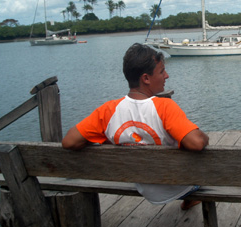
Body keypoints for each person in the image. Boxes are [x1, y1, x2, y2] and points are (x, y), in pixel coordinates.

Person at [62, 43, 209, 210]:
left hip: (145, 188)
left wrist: (109, 142)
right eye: (161, 71)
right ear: (146, 78)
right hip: (179, 185)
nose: (166, 76)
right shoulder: (164, 107)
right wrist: (205, 137)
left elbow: (69, 141)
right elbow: (196, 143)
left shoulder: (108, 111)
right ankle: (190, 197)